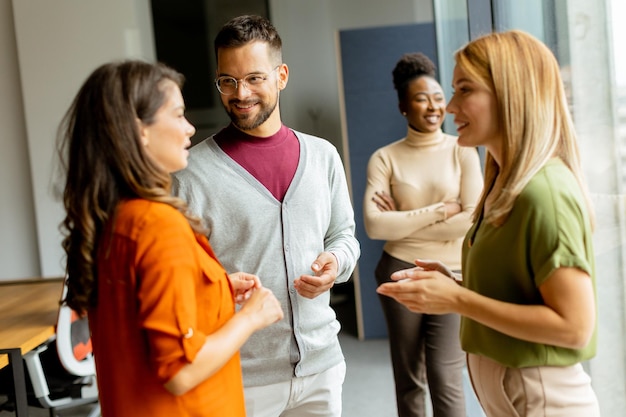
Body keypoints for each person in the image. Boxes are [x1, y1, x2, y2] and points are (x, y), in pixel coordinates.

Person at [377, 30, 600, 417]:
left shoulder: (545, 192)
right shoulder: (503, 184)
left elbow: (574, 326)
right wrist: (457, 285)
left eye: (464, 90)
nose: (448, 106)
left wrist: (457, 299)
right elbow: (521, 291)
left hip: (544, 400)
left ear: (509, 93)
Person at [57, 60, 284, 417]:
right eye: (178, 115)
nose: (190, 129)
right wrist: (251, 318)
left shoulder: (114, 218)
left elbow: (140, 312)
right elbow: (180, 371)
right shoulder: (158, 225)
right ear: (140, 130)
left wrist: (217, 288)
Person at [171, 15, 360, 417]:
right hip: (239, 374)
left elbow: (344, 235)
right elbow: (181, 278)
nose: (241, 93)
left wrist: (336, 262)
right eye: (228, 80)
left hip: (322, 366)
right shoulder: (190, 174)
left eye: (255, 78)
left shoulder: (323, 155)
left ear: (281, 76)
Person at [363, 52, 483, 417]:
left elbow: (472, 218)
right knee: (409, 376)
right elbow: (374, 225)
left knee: (445, 375)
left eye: (437, 98)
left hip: (453, 273)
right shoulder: (385, 158)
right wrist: (439, 210)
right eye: (420, 99)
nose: (432, 107)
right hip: (400, 267)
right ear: (403, 106)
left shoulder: (462, 150)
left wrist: (403, 216)